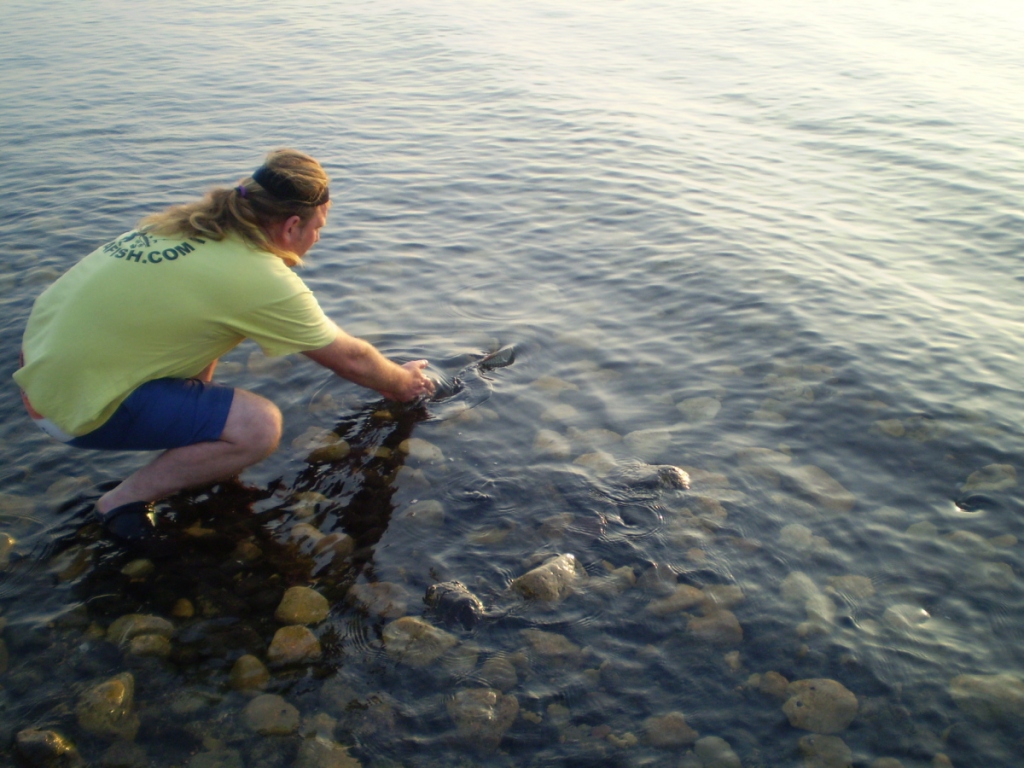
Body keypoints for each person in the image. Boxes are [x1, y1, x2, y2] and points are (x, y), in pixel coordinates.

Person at [14, 149, 435, 540]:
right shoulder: (256, 276)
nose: (318, 239)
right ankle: (122, 502)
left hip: (40, 369)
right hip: (71, 407)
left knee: (206, 334)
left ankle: (198, 453)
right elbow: (352, 359)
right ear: (291, 226)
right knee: (258, 426)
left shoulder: (181, 226)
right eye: (318, 228)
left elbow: (195, 334)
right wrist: (404, 383)